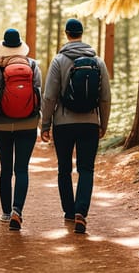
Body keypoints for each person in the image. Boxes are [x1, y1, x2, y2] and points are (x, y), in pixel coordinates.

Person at [40, 18, 111, 234]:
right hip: (90, 123)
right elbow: (105, 97)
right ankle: (81, 212)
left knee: (64, 169)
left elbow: (49, 96)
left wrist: (45, 124)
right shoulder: (97, 61)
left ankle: (69, 212)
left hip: (63, 124)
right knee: (86, 169)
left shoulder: (59, 60)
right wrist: (103, 123)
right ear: (81, 33)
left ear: (66, 34)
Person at [0, 28, 42, 230]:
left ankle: (6, 213)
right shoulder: (33, 65)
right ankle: (18, 210)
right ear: (20, 46)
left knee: (6, 169)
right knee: (22, 169)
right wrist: (43, 123)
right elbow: (39, 95)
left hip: (2, 125)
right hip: (28, 124)